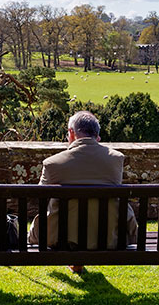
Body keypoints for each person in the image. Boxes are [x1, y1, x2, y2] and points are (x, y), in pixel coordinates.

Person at [28, 110, 138, 272]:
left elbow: (40, 196)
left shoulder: (52, 163)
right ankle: (77, 263)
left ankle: (76, 261)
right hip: (108, 237)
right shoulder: (116, 159)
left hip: (61, 238)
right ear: (97, 135)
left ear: (71, 133)